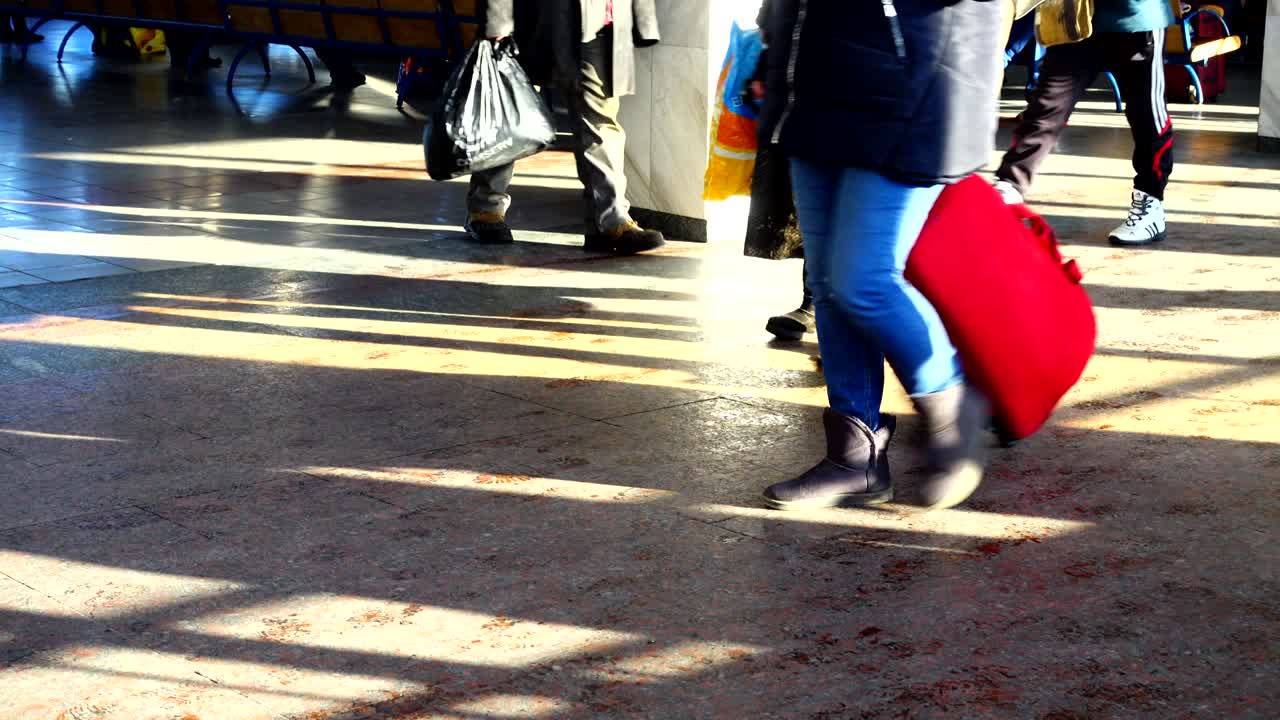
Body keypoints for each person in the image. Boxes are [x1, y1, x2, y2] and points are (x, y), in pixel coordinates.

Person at [758, 0, 1002, 511]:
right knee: (827, 286)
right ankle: (855, 459)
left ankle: (953, 408)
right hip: (817, 88)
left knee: (864, 281)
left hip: (913, 84)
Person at [469, 0, 665, 255]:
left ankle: (609, 220)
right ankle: (485, 209)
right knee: (509, 115)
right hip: (534, 20)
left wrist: (643, 17)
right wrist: (496, 20)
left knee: (601, 124)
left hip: (602, 22)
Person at [994, 0, 1177, 246]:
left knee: (1146, 115)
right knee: (1047, 106)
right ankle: (1009, 185)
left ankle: (1151, 200)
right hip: (1074, 18)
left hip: (1136, 19)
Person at [744, 0, 812, 342]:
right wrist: (765, 67)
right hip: (803, 96)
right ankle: (816, 303)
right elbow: (777, 18)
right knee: (814, 212)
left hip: (871, 100)